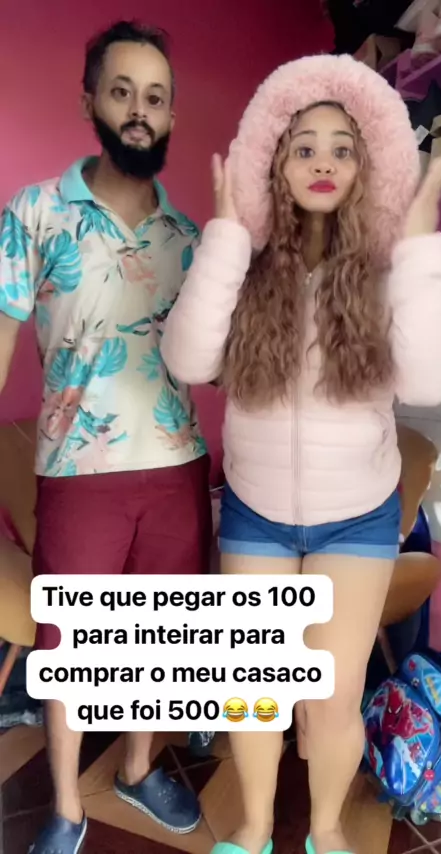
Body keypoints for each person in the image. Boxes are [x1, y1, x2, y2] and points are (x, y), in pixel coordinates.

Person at [161, 55, 441, 854]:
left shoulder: (385, 271)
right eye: (304, 147)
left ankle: (325, 831)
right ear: (275, 162)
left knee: (332, 698)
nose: (323, 161)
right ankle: (256, 827)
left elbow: (435, 380)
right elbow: (188, 360)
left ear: (367, 168)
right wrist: (227, 233)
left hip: (355, 520)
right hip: (257, 515)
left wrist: (419, 251)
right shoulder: (244, 264)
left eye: (342, 147)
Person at [0, 20, 214, 854]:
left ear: (171, 117)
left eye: (155, 98)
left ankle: (135, 768)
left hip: (177, 469)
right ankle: (64, 807)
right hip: (77, 470)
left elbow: (223, 364)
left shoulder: (192, 241)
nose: (139, 110)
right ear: (89, 99)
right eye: (122, 91)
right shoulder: (35, 213)